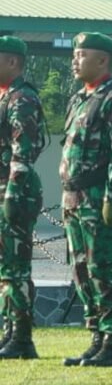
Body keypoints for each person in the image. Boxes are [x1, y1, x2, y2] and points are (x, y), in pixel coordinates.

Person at [60, 32, 112, 368]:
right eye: (75, 54)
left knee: (104, 269)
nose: (75, 60)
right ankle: (97, 337)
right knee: (81, 270)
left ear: (102, 60)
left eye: (82, 54)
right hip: (74, 196)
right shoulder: (78, 99)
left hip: (97, 195)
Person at [0, 36, 46, 359]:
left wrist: (13, 194)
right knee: (5, 269)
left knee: (15, 267)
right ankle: (9, 331)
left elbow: (24, 150)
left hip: (14, 191)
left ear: (12, 62)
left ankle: (22, 338)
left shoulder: (22, 98)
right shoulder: (4, 98)